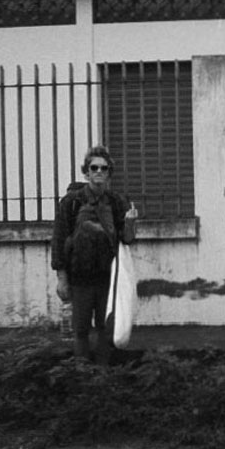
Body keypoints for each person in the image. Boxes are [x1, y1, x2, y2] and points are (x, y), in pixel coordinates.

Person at [51, 146, 137, 364]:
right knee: (80, 330)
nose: (99, 171)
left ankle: (102, 379)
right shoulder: (71, 202)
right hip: (79, 277)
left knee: (104, 329)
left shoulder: (117, 202)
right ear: (86, 172)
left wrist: (130, 223)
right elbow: (59, 239)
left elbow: (126, 240)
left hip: (107, 277)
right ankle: (82, 378)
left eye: (104, 168)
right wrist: (62, 278)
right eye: (94, 167)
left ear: (109, 173)